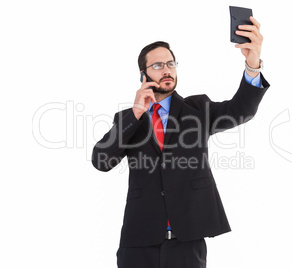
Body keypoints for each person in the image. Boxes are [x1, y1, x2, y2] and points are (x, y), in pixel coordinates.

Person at [92, 16, 269, 268]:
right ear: (143, 75)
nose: (166, 69)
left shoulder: (198, 109)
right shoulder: (129, 119)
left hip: (187, 241)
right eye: (157, 65)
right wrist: (135, 113)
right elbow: (101, 160)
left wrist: (252, 64)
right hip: (139, 241)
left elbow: (242, 110)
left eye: (170, 63)